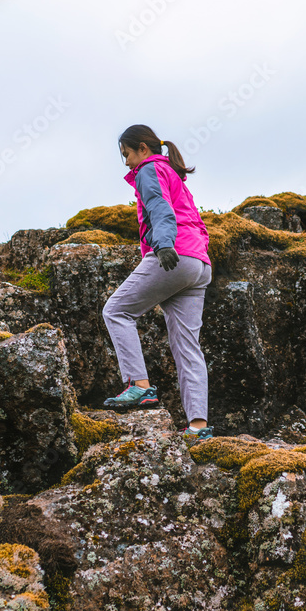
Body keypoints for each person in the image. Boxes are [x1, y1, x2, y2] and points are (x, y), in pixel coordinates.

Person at [101, 124, 214, 439]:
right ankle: (198, 427)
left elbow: (160, 209)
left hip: (173, 255)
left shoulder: (149, 170)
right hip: (198, 263)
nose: (126, 163)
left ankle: (139, 385)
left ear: (142, 148)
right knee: (188, 348)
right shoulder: (173, 173)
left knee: (116, 311)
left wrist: (163, 245)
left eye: (126, 154)